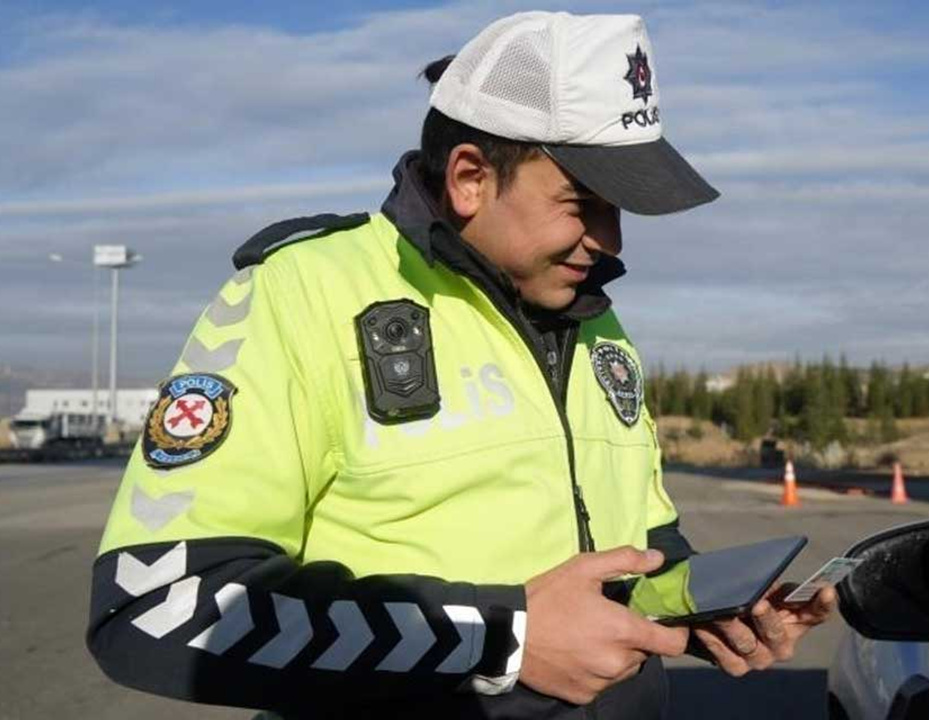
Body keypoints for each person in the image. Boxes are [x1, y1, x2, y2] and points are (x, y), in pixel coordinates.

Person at [86, 11, 835, 719]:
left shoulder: (596, 320)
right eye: (584, 204)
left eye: (621, 212)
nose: (610, 242)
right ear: (471, 178)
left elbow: (642, 548)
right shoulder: (299, 293)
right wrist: (497, 638)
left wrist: (711, 610)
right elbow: (156, 602)